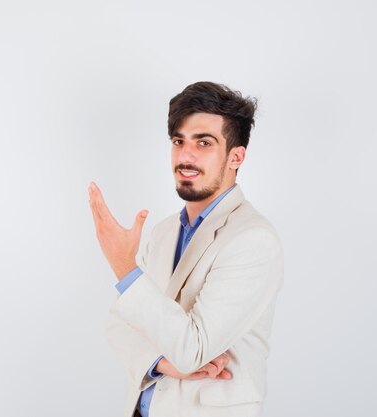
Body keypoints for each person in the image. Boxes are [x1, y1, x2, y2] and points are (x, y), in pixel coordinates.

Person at [88, 81, 283, 417]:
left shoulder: (253, 239)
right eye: (179, 141)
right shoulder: (164, 232)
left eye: (204, 143)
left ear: (236, 156)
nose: (186, 156)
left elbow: (193, 348)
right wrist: (162, 363)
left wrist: (125, 267)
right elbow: (118, 324)